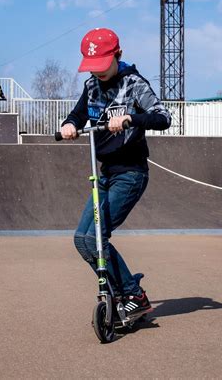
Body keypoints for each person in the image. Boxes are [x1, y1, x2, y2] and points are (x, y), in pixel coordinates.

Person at [59, 28, 172, 316]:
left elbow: (163, 117)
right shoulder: (91, 86)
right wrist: (70, 124)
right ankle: (121, 293)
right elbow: (77, 114)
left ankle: (134, 296)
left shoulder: (134, 83)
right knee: (82, 240)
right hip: (106, 173)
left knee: (99, 236)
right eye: (92, 67)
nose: (97, 72)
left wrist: (130, 118)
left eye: (102, 66)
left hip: (131, 173)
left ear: (117, 56)